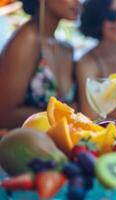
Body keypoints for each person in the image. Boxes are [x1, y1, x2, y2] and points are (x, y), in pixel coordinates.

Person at [0, 0, 81, 128]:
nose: (78, 2)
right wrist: (66, 114)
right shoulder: (27, 39)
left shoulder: (66, 49)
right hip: (22, 144)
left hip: (61, 143)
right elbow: (4, 115)